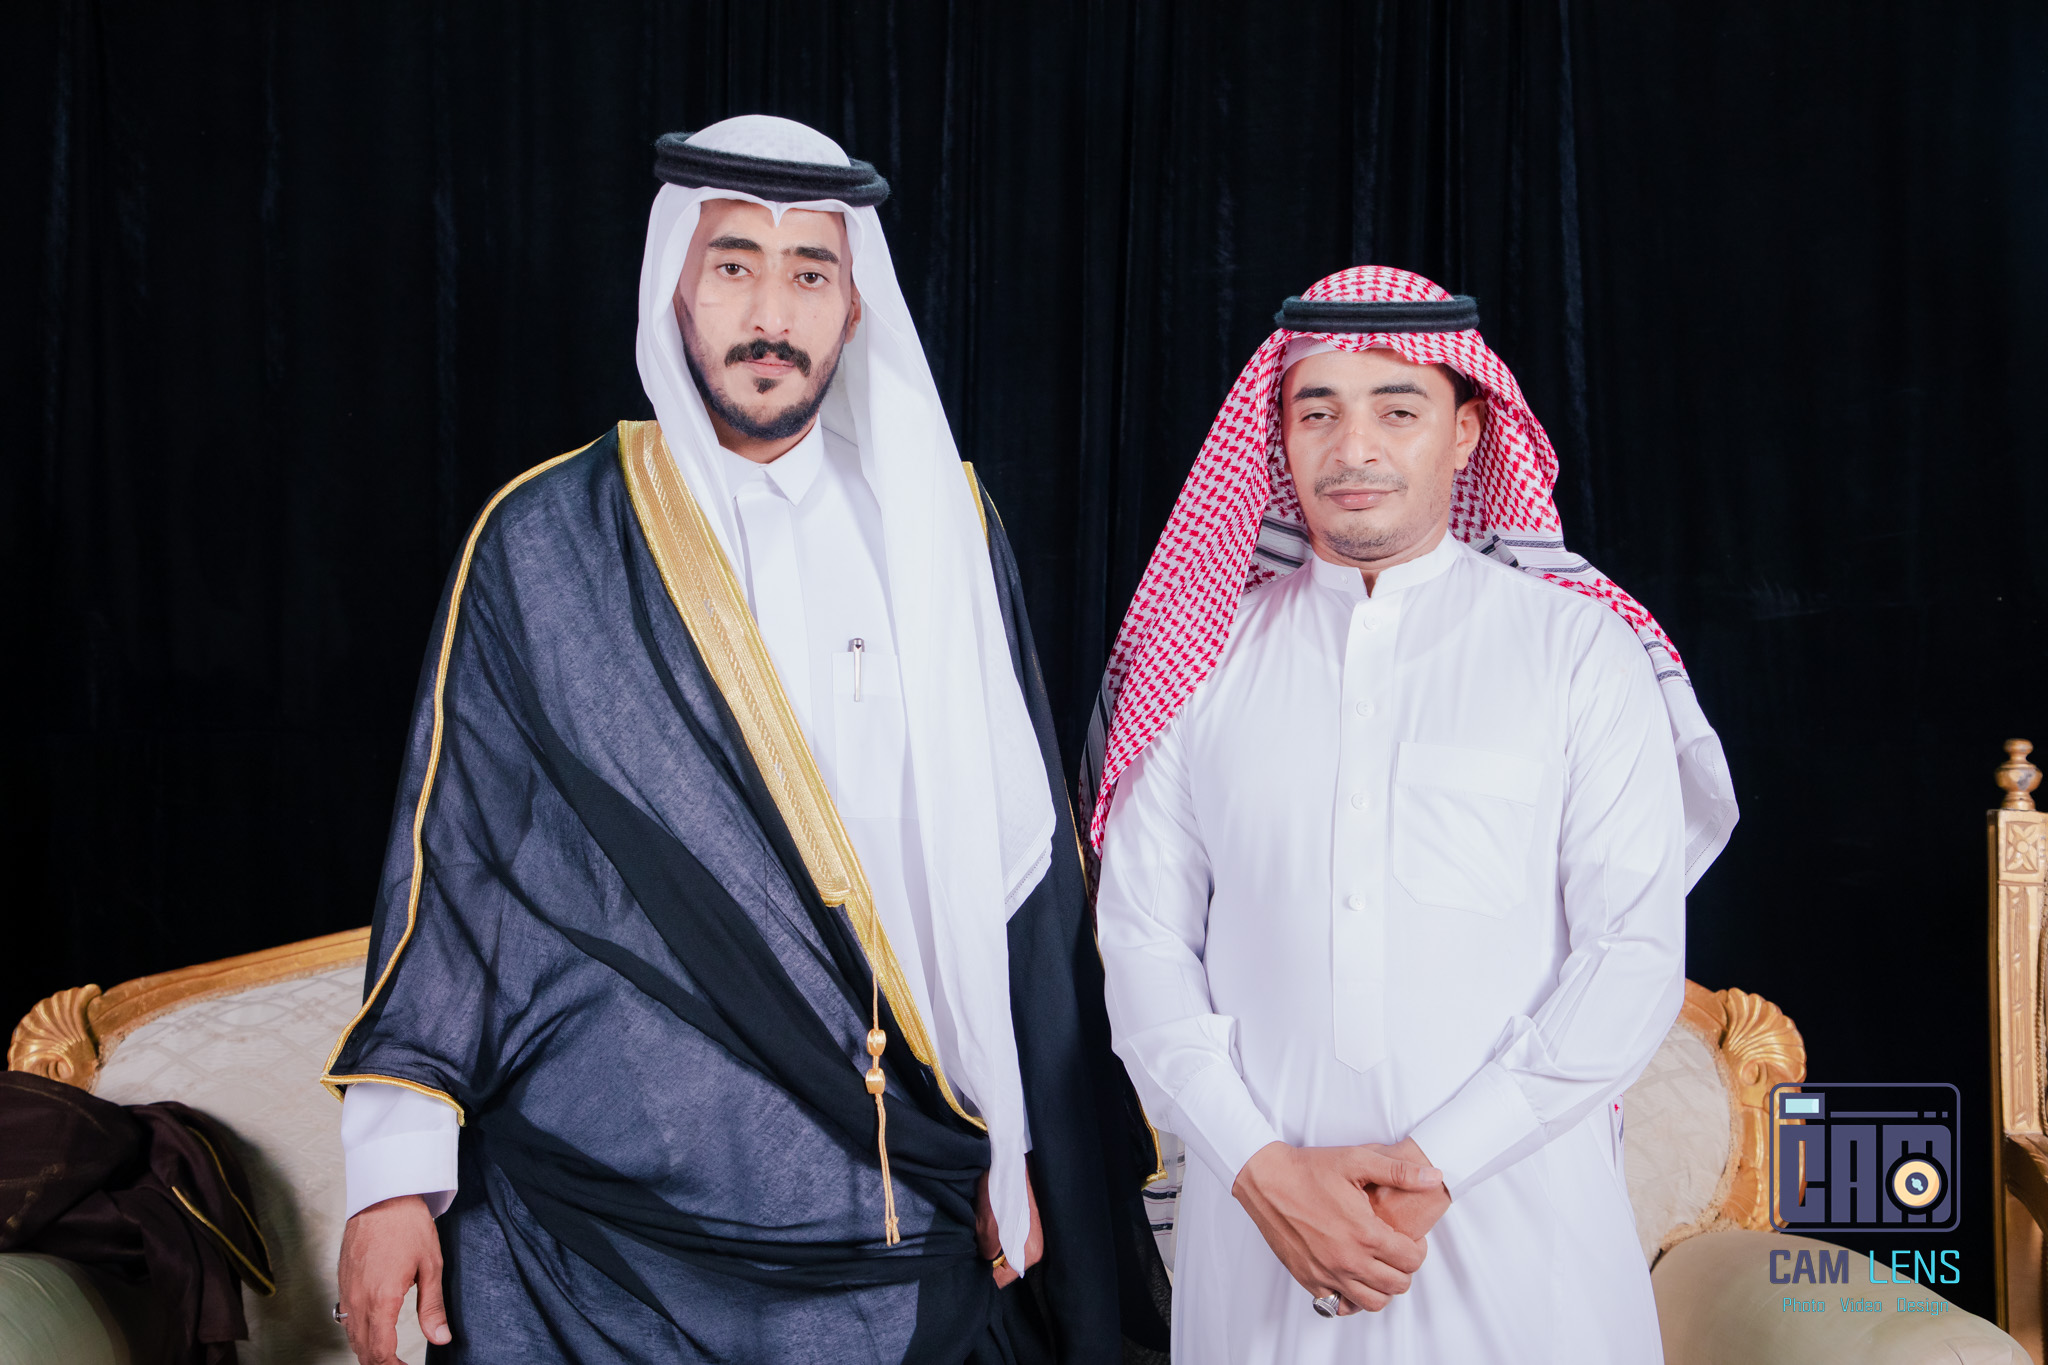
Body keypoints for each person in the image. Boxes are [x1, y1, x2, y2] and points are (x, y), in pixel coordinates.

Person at [323, 115, 1168, 1365]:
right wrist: (393, 1180)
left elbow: (1007, 872)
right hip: (596, 1213)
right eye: (732, 266)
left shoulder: (936, 524)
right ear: (674, 283)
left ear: (855, 306)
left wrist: (1014, 1145)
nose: (770, 313)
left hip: (893, 1188)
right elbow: (456, 876)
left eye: (809, 273)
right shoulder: (549, 539)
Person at [1085, 266, 1738, 1363]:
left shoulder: (1577, 650)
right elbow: (1141, 944)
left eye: (1397, 410)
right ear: (1277, 435)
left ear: (1469, 430)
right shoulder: (1196, 665)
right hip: (1264, 1246)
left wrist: (1438, 1164)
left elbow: (1629, 955)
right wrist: (1261, 1170)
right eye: (1317, 412)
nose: (1354, 449)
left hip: (1523, 1244)